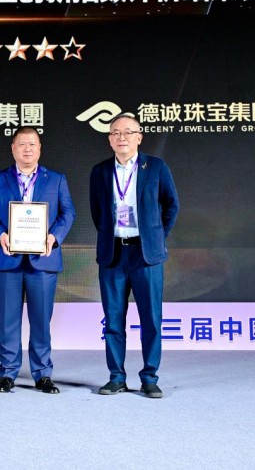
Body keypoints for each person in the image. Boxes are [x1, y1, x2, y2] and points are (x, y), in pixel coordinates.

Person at [0, 127, 75, 394]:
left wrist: (54, 237)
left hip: (43, 260)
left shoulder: (56, 180)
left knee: (41, 320)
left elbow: (68, 212)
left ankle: (42, 374)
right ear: (13, 148)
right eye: (22, 144)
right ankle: (7, 373)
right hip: (8, 258)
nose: (27, 149)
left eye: (32, 144)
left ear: (40, 148)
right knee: (8, 320)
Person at [90, 113, 179, 399]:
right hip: (113, 254)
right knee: (113, 321)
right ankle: (116, 377)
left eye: (128, 132)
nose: (122, 138)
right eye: (116, 133)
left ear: (139, 137)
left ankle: (150, 377)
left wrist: (155, 237)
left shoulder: (156, 167)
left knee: (151, 319)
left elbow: (171, 206)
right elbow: (97, 212)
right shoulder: (100, 171)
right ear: (109, 140)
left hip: (146, 255)